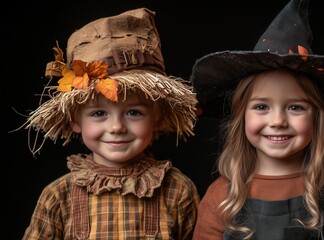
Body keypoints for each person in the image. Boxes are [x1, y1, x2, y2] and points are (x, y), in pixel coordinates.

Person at [190, 0, 324, 239]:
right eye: (261, 106)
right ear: (241, 117)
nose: (278, 120)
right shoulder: (221, 197)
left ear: (317, 118)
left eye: (296, 107)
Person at [20, 8, 199, 240]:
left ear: (157, 118)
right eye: (98, 114)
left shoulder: (178, 191)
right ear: (75, 120)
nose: (116, 127)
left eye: (134, 112)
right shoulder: (58, 195)